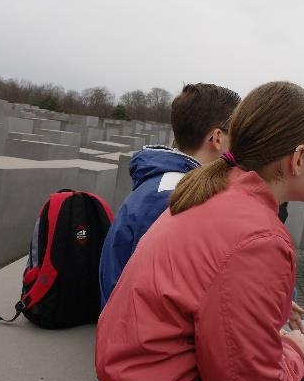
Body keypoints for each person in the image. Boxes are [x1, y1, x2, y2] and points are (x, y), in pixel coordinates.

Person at [96, 81, 304, 381]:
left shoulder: (215, 194)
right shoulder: (258, 238)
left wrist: (284, 351)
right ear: (297, 159)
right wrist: (294, 355)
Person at [98, 83, 240, 307]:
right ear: (218, 138)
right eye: (238, 135)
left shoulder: (173, 185)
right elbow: (155, 297)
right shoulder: (171, 197)